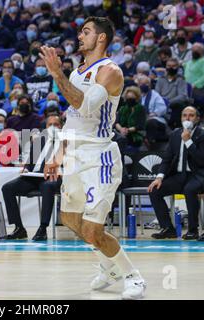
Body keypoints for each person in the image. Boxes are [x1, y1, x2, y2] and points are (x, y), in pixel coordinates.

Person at [40, 16, 146, 300]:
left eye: (85, 32)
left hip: (99, 156)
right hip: (75, 153)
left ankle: (133, 277)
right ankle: (108, 266)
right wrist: (58, 153)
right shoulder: (77, 72)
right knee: (70, 219)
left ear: (101, 38)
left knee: (93, 229)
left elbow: (85, 107)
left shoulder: (110, 71)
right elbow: (72, 118)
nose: (79, 36)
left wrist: (56, 75)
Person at [148, 107, 204, 240]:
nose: (187, 118)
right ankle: (168, 228)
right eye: (184, 115)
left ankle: (193, 230)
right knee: (154, 190)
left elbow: (202, 160)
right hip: (179, 175)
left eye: (191, 115)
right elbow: (167, 158)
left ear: (197, 119)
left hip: (198, 175)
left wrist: (188, 141)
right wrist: (159, 177)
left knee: (190, 189)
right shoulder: (175, 135)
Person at [2, 114, 63, 241]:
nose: (52, 127)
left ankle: (43, 228)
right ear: (45, 127)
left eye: (56, 125)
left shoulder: (66, 141)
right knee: (7, 188)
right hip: (34, 177)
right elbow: (29, 163)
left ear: (61, 126)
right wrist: (26, 170)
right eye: (49, 125)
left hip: (53, 177)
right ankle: (19, 228)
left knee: (47, 186)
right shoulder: (39, 140)